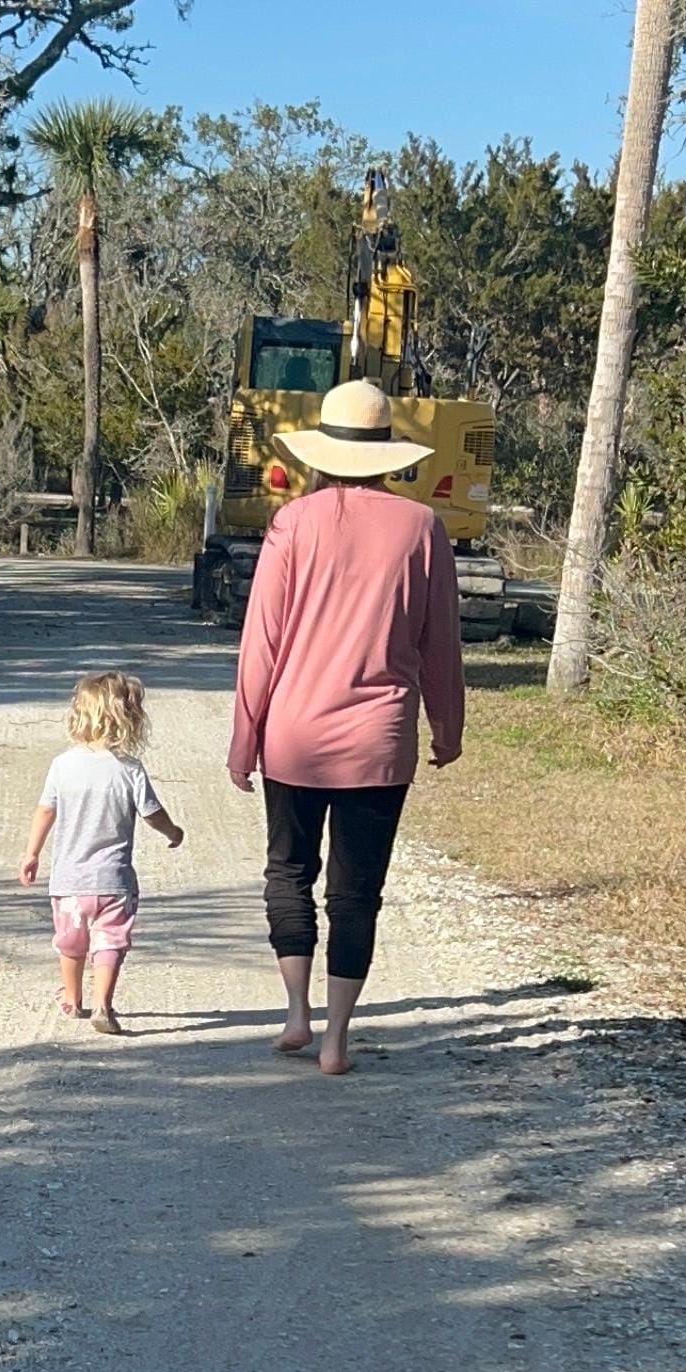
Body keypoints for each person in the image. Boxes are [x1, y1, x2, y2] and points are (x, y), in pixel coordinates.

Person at [227, 378, 464, 1074]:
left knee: (289, 871)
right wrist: (446, 727)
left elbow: (260, 642)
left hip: (293, 735)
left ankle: (295, 1015)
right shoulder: (422, 528)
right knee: (356, 892)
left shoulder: (291, 524)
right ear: (388, 454)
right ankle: (336, 1039)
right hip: (378, 741)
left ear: (321, 453)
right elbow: (439, 643)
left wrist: (245, 739)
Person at [21, 669, 184, 1034]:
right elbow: (152, 813)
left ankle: (73, 997)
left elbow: (45, 809)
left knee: (70, 942)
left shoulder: (62, 765)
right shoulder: (129, 769)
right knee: (110, 942)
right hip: (114, 880)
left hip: (69, 880)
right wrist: (173, 831)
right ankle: (103, 1006)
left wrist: (31, 853)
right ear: (130, 719)